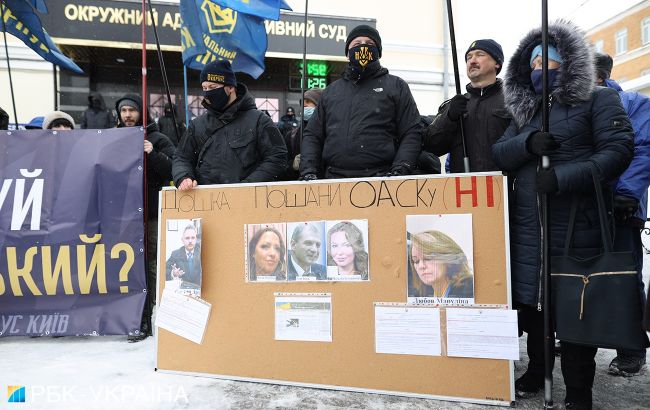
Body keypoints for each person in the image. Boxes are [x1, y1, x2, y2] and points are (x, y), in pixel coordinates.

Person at [491, 20, 634, 409]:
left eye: (548, 62)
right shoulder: (525, 110)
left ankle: (578, 392)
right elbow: (499, 153)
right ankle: (538, 370)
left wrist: (563, 177)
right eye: (534, 62)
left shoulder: (600, 100)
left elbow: (619, 150)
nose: (539, 68)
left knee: (575, 313)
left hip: (576, 226)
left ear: (568, 63)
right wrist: (527, 143)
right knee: (536, 307)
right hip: (528, 230)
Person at [300, 25, 422, 179]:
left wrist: (401, 168)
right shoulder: (331, 92)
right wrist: (309, 170)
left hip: (382, 180)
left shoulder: (396, 86)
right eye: (357, 44)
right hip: (334, 179)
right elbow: (313, 135)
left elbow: (411, 131)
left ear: (378, 51)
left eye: (370, 44)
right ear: (347, 52)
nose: (363, 47)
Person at [594, 52, 650, 377]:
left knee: (624, 278)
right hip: (583, 206)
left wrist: (627, 192)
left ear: (600, 76)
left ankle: (631, 350)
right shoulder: (575, 106)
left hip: (621, 206)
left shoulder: (633, 104)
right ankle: (580, 336)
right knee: (582, 273)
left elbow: (645, 148)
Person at [173, 60, 287, 189]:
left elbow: (277, 157)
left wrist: (248, 185)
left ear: (231, 87)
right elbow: (181, 157)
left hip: (247, 202)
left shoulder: (259, 120)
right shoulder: (197, 124)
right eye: (204, 88)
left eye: (213, 87)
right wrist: (183, 176)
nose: (207, 93)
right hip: (205, 203)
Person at [116, 93, 175, 341]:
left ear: (142, 112)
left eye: (132, 110)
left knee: (150, 264)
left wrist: (152, 153)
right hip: (121, 215)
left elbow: (174, 167)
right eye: (124, 110)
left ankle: (147, 316)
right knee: (126, 265)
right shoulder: (113, 138)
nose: (128, 115)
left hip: (149, 213)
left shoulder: (158, 138)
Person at [425, 39, 510, 173]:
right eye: (469, 57)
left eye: (480, 55)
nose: (472, 61)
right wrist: (449, 117)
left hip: (503, 188)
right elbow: (432, 146)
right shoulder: (455, 105)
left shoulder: (513, 102)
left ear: (497, 63)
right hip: (465, 189)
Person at [408, 230, 473, 299]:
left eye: (428, 258)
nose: (421, 266)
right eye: (416, 261)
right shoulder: (419, 295)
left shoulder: (469, 290)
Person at [281, 88, 323, 180]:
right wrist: (293, 165)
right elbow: (281, 167)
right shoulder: (292, 135)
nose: (304, 105)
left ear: (319, 106)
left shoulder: (330, 133)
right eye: (302, 102)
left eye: (308, 101)